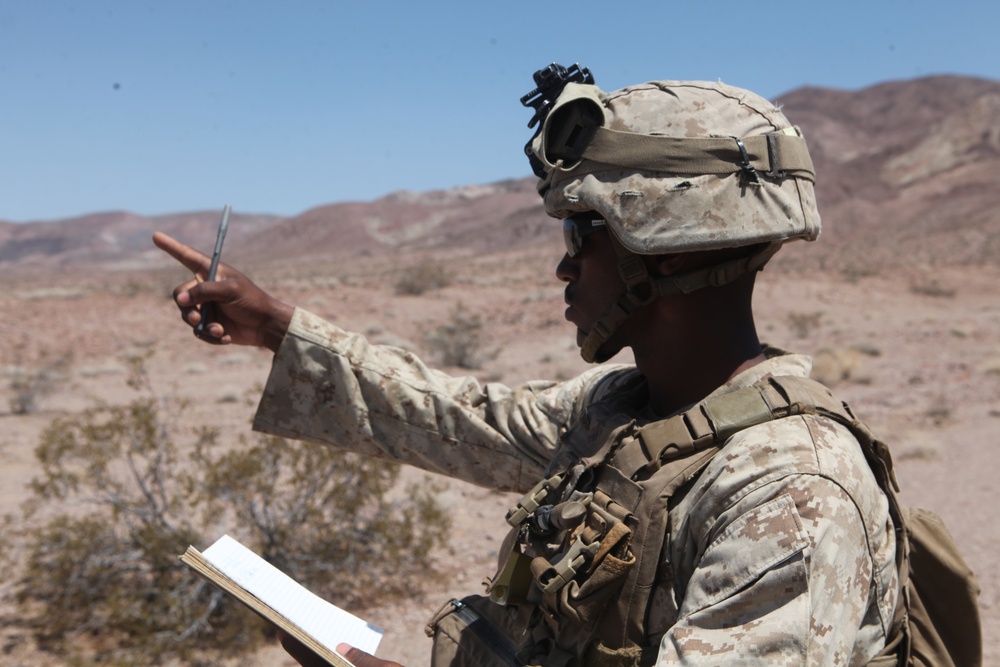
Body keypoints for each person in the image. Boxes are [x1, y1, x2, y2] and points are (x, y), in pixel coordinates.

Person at [155, 68, 899, 666]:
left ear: (665, 246)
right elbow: (458, 418)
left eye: (582, 231)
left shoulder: (790, 491)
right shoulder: (625, 409)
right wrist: (277, 327)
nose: (562, 266)